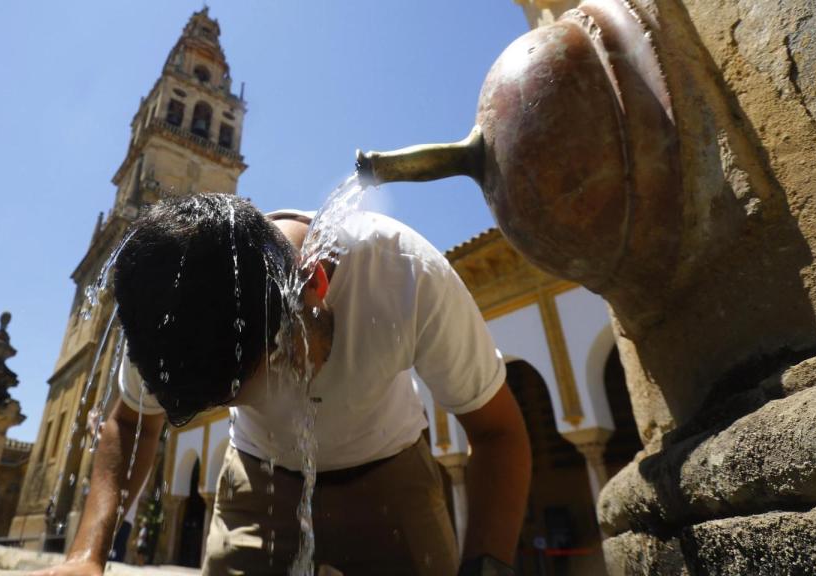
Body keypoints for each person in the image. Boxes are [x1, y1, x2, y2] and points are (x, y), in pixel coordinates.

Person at [34, 194, 531, 575]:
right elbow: (133, 423)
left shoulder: (403, 273)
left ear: (314, 284)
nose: (280, 396)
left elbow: (497, 434)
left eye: (281, 365)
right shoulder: (173, 309)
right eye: (239, 399)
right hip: (257, 479)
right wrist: (87, 554)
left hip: (391, 476)